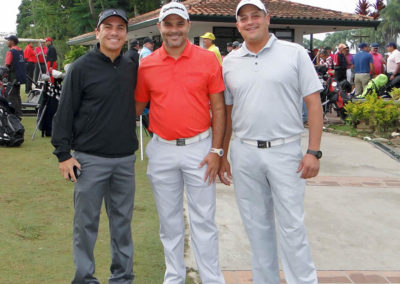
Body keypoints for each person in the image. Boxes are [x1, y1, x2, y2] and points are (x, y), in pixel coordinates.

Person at [220, 0, 323, 283]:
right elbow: (229, 113)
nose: (250, 22)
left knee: (292, 226)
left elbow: (313, 103)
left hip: (285, 150)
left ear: (268, 18)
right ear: (237, 25)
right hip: (245, 152)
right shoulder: (229, 62)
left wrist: (313, 151)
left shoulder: (295, 53)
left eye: (256, 16)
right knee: (256, 227)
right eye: (244, 18)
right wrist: (223, 154)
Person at [135, 2, 226, 283]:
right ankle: (173, 277)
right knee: (169, 222)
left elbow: (219, 108)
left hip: (200, 147)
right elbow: (135, 108)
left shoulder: (207, 59)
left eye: (179, 23)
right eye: (168, 24)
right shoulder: (147, 64)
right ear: (160, 27)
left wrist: (216, 150)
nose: (173, 30)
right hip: (162, 149)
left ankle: (211, 278)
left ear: (188, 26)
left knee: (204, 222)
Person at [51, 8, 138, 283]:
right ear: (97, 32)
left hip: (125, 160)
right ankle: (85, 278)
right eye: (108, 27)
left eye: (120, 27)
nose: (114, 32)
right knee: (86, 225)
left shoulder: (130, 67)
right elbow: (63, 113)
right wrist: (63, 155)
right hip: (89, 160)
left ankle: (122, 277)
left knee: (122, 225)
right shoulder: (80, 68)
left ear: (125, 34)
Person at [4, 35, 26, 118]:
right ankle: (19, 112)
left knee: (11, 95)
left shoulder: (11, 52)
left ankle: (14, 114)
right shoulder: (20, 51)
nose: (7, 42)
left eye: (8, 40)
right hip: (20, 76)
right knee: (17, 95)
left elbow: (7, 65)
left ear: (12, 42)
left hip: (13, 77)